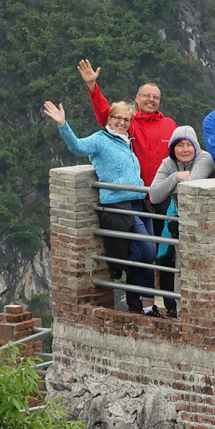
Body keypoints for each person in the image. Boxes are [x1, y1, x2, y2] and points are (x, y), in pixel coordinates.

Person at [43, 100, 163, 317]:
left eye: (126, 119)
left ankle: (145, 307)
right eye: (118, 118)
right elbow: (77, 147)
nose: (122, 122)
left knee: (144, 256)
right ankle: (140, 299)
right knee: (147, 252)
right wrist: (63, 124)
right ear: (109, 118)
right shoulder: (100, 139)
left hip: (139, 202)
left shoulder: (126, 141)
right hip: (119, 205)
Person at [77, 59, 178, 236]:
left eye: (155, 97)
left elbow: (182, 152)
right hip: (136, 196)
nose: (151, 99)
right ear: (137, 98)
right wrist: (92, 85)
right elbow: (106, 114)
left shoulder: (170, 125)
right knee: (141, 242)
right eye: (146, 95)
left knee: (165, 242)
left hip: (163, 195)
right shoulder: (130, 123)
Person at [149, 126, 215, 317]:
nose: (185, 149)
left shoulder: (204, 159)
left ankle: (206, 313)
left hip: (207, 222)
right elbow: (154, 195)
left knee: (204, 268)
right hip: (182, 222)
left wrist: (169, 188)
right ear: (172, 148)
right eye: (180, 145)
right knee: (181, 268)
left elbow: (190, 189)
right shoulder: (168, 164)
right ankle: (181, 313)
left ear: (196, 146)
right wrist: (176, 177)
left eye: (189, 145)